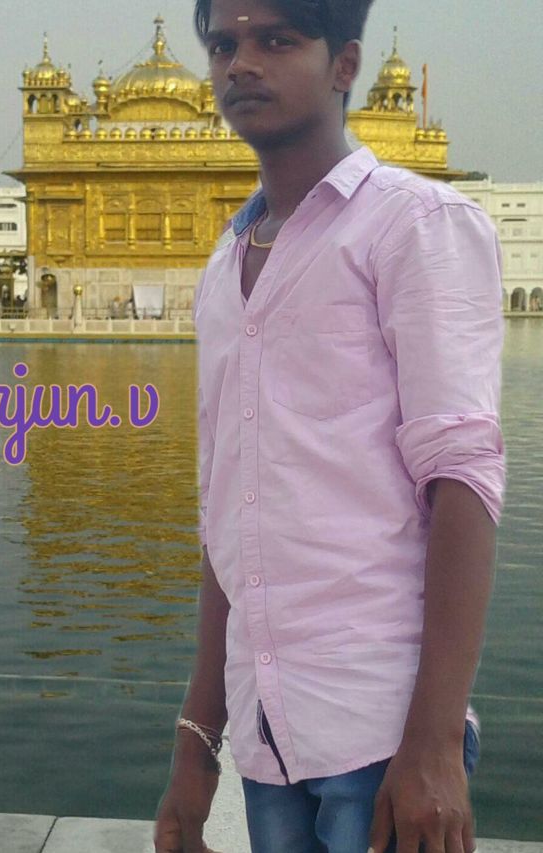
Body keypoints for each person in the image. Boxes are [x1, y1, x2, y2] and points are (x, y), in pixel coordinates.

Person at [154, 2, 506, 852]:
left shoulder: (413, 224)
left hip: (382, 733)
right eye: (224, 44)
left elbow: (463, 479)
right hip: (267, 734)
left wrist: (433, 747)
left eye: (276, 39)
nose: (241, 63)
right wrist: (197, 748)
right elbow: (228, 517)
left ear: (344, 64)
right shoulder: (225, 265)